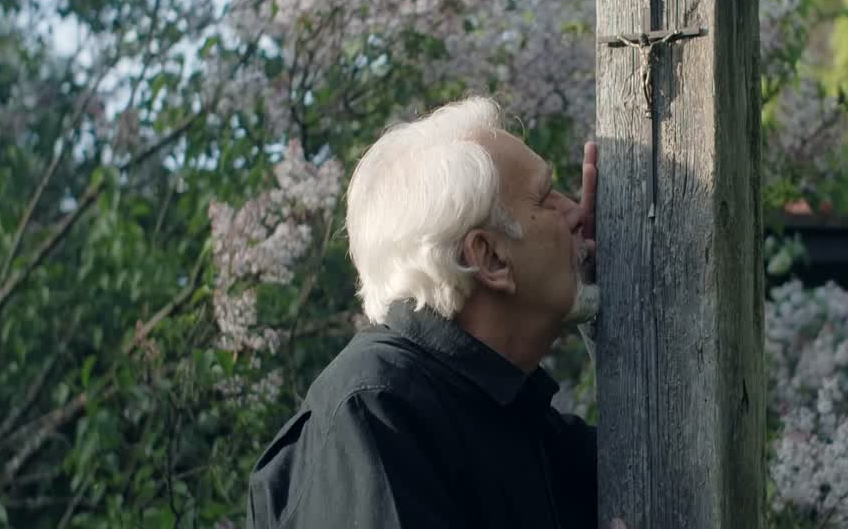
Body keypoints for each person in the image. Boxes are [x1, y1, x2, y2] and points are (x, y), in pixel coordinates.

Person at [247, 95, 603, 529]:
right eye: (546, 197)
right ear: (490, 258)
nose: (575, 212)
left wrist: (610, 278)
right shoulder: (375, 413)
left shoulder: (522, 420)